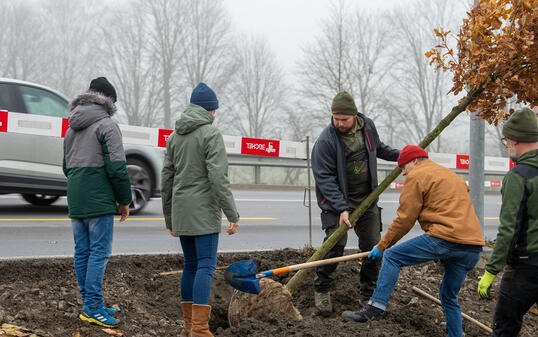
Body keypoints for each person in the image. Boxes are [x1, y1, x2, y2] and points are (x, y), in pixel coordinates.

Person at [341, 145, 485, 337]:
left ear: (415, 161)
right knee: (448, 296)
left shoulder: (417, 176)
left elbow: (405, 219)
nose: (403, 172)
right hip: (472, 247)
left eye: (403, 167)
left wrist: (382, 246)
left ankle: (375, 309)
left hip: (444, 238)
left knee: (392, 256)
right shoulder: (451, 176)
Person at [161, 82, 239, 337]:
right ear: (211, 110)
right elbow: (218, 177)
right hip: (203, 210)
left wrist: (169, 217)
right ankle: (200, 330)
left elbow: (167, 179)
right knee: (205, 265)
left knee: (191, 266)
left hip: (182, 210)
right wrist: (232, 214)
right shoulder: (210, 134)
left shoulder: (174, 137)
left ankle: (187, 327)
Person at [311, 90, 399, 314]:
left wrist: (401, 155)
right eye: (336, 119)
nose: (339, 123)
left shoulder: (367, 126)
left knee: (372, 245)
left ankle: (368, 294)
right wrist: (341, 207)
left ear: (355, 116)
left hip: (366, 198)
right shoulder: (326, 141)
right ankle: (322, 289)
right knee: (335, 245)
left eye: (344, 119)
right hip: (336, 201)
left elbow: (377, 148)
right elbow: (325, 179)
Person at [63, 77, 132, 327]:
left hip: (75, 197)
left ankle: (88, 305)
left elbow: (65, 166)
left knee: (82, 251)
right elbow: (117, 167)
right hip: (98, 198)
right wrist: (124, 199)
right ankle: (93, 307)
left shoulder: (71, 127)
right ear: (108, 101)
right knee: (99, 252)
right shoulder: (107, 125)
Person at [477, 107, 537, 336]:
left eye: (506, 141)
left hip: (525, 267)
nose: (506, 146)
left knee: (505, 328)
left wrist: (491, 271)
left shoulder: (519, 175)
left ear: (515, 140)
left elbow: (509, 229)